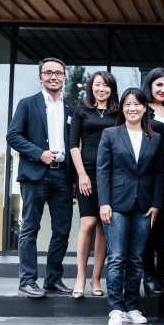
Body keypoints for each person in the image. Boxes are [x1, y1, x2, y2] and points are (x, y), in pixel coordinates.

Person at [6, 57, 74, 298]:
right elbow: (13, 136)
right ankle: (27, 280)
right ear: (40, 77)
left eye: (58, 73)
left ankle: (53, 280)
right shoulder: (27, 104)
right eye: (48, 72)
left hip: (63, 176)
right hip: (35, 174)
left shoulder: (71, 109)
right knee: (30, 228)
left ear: (64, 77)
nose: (53, 76)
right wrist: (39, 153)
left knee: (62, 230)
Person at [97, 88, 163, 325]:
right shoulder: (110, 134)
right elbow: (102, 170)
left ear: (145, 107)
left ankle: (131, 307)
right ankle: (115, 308)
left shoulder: (154, 137)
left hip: (144, 205)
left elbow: (159, 173)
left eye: (137, 104)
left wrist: (156, 204)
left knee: (135, 259)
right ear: (122, 108)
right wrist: (104, 202)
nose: (132, 108)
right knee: (116, 257)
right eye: (128, 104)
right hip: (116, 204)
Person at [68, 71, 120, 298]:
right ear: (91, 87)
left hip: (111, 174)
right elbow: (73, 145)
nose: (102, 89)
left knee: (103, 226)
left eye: (106, 85)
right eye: (98, 84)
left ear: (112, 89)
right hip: (87, 173)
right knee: (88, 222)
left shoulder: (118, 113)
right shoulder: (81, 112)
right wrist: (81, 175)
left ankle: (96, 278)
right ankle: (80, 277)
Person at [140, 67, 164, 296]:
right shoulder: (141, 109)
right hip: (147, 176)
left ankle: (163, 275)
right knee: (148, 229)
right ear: (150, 85)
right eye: (159, 85)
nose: (163, 89)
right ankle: (149, 276)